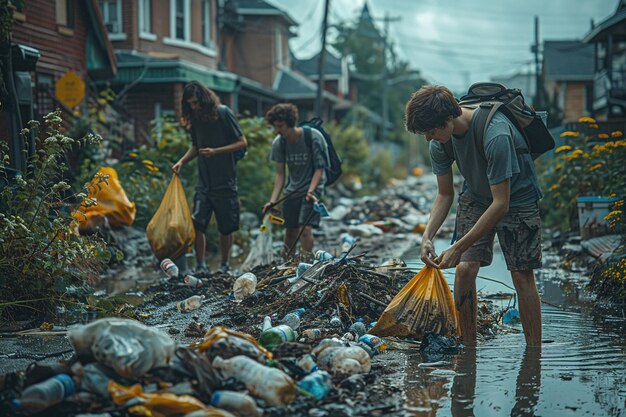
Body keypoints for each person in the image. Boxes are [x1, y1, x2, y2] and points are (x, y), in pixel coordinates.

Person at [405, 85, 543, 347]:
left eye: (430, 131)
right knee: (465, 270)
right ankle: (467, 347)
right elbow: (445, 194)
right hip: (477, 196)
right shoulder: (440, 143)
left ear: (448, 119)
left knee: (521, 275)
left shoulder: (496, 134)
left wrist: (458, 245)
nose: (428, 138)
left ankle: (534, 353)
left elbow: (501, 204)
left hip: (518, 198)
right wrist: (427, 236)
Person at [172, 81, 247, 275]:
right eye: (190, 104)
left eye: (196, 103)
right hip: (204, 182)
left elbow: (241, 142)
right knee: (198, 223)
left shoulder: (223, 113)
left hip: (225, 180)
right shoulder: (195, 119)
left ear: (205, 100)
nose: (194, 107)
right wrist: (182, 161)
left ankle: (224, 264)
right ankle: (201, 265)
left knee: (226, 226)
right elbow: (196, 146)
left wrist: (216, 151)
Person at [263, 103, 329, 260]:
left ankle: (305, 263)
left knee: (305, 229)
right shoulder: (279, 143)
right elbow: (280, 175)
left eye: (281, 126)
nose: (278, 130)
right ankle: (286, 264)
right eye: (276, 126)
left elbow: (319, 169)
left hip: (312, 189)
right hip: (292, 191)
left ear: (290, 123)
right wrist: (273, 201)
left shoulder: (312, 137)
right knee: (290, 231)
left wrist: (311, 191)